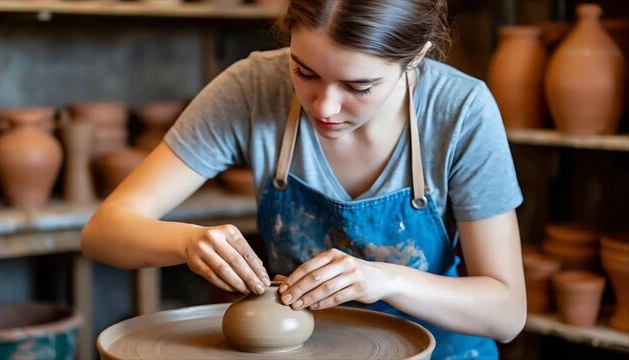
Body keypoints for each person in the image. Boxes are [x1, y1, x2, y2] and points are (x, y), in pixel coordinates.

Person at [81, 0, 526, 358]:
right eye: (304, 72)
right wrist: (186, 242)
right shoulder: (253, 88)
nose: (325, 107)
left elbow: (507, 314)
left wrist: (385, 279)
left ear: (417, 56)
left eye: (359, 87)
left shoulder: (460, 111)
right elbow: (102, 232)